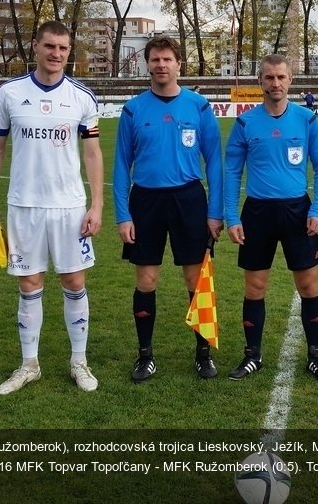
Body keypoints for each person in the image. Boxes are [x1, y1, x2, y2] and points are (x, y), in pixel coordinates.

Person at [0, 20, 104, 395]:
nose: (56, 54)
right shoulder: (10, 94)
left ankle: (78, 360)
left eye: (63, 48)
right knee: (29, 284)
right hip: (24, 205)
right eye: (50, 46)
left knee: (74, 281)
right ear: (35, 46)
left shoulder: (82, 97)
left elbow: (93, 152)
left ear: (69, 52)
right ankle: (28, 364)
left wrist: (96, 204)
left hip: (69, 207)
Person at [113, 36, 223, 382]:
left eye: (168, 59)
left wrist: (215, 211)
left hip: (189, 200)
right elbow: (120, 166)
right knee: (146, 280)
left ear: (179, 64)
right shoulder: (133, 109)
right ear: (147, 64)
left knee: (196, 278)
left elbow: (215, 163)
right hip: (145, 201)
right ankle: (145, 355)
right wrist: (122, 214)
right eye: (155, 59)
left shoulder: (199, 107)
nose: (161, 65)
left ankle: (203, 353)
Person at [224, 54, 318, 382]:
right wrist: (231, 215)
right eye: (269, 77)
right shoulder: (245, 123)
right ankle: (252, 354)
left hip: (298, 211)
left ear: (290, 80)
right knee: (255, 286)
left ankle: (315, 355)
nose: (275, 83)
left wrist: (317, 209)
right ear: (260, 81)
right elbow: (232, 171)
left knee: (308, 284)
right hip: (257, 212)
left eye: (281, 77)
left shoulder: (307, 120)